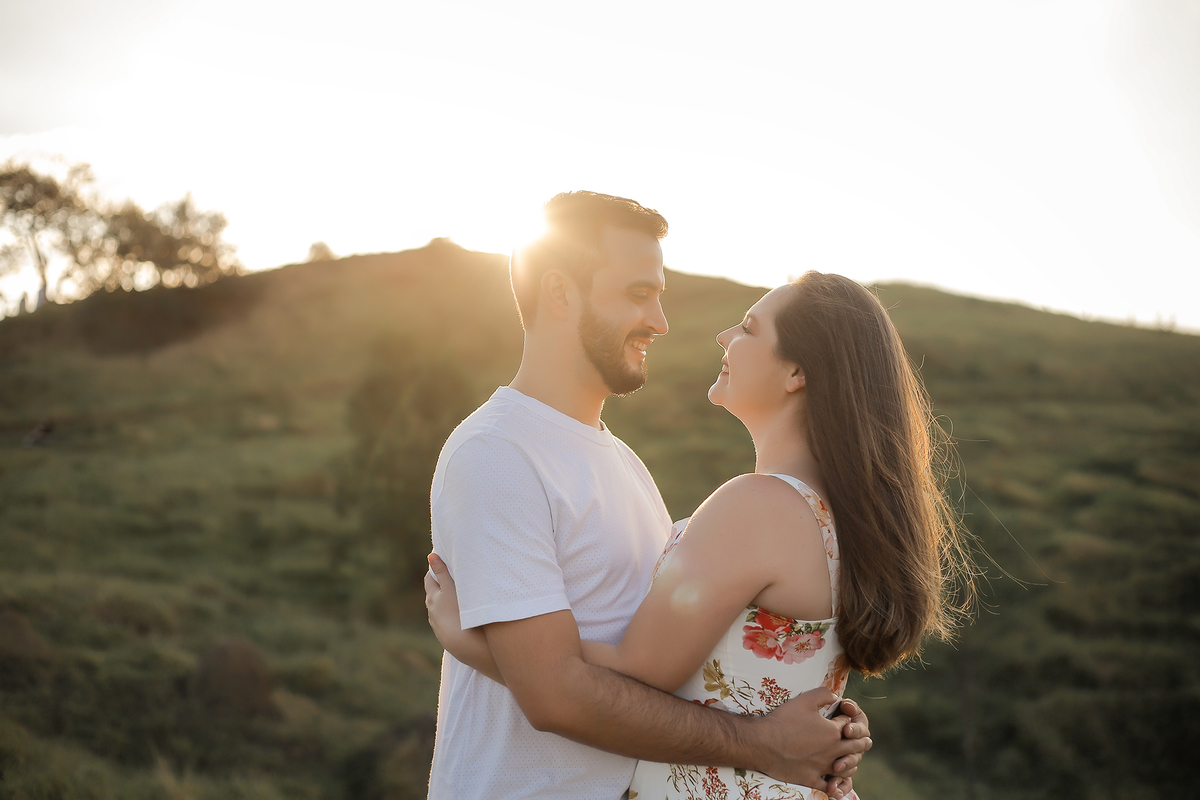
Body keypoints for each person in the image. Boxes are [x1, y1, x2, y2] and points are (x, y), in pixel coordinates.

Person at [423, 191, 873, 800]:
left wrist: (809, 719)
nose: (661, 322)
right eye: (639, 294)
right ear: (560, 294)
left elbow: (678, 666)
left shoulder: (624, 464)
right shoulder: (498, 452)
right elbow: (554, 694)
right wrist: (764, 743)